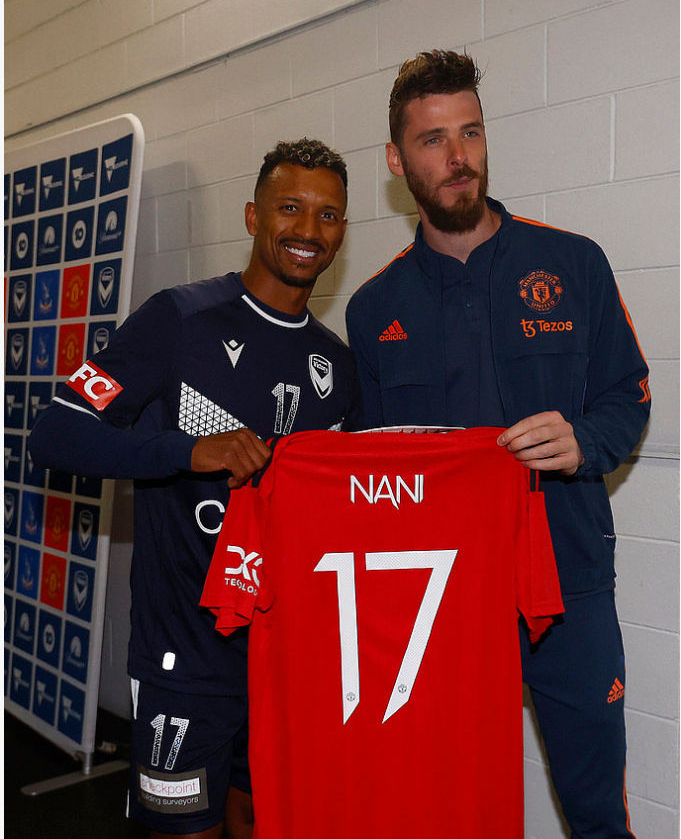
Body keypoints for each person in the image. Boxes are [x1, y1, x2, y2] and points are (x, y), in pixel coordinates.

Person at [345, 50, 650, 839]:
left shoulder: (572, 263)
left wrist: (583, 439)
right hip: (439, 601)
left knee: (595, 814)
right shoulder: (373, 307)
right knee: (445, 810)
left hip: (568, 584)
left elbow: (630, 393)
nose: (458, 157)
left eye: (471, 133)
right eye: (433, 139)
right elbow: (373, 472)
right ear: (395, 161)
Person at [29, 138, 358, 839]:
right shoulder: (177, 318)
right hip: (185, 660)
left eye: (328, 215)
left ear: (341, 232)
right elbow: (55, 431)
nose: (308, 229)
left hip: (286, 663)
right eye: (290, 208)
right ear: (253, 216)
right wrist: (186, 450)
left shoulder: (337, 364)